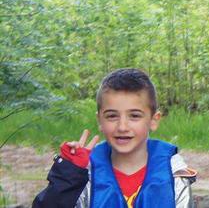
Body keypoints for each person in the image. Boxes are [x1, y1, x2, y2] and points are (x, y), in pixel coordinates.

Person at [33, 68, 196, 208]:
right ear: (100, 121)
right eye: (112, 116)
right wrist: (68, 177)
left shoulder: (174, 175)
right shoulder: (84, 174)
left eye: (134, 116)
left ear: (154, 120)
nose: (122, 127)